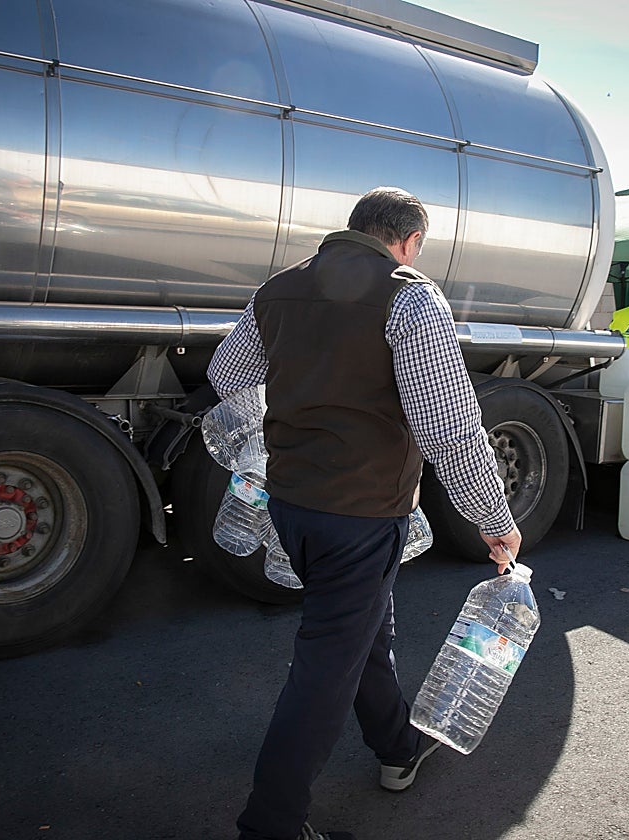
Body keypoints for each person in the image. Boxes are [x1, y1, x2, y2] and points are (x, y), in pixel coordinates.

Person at [207, 186, 521, 840]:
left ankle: (397, 747)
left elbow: (228, 376)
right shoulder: (410, 296)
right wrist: (494, 518)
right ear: (409, 241)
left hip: (291, 505)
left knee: (360, 630)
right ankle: (271, 826)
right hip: (360, 513)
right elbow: (449, 430)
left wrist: (292, 422)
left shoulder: (278, 289)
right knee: (327, 666)